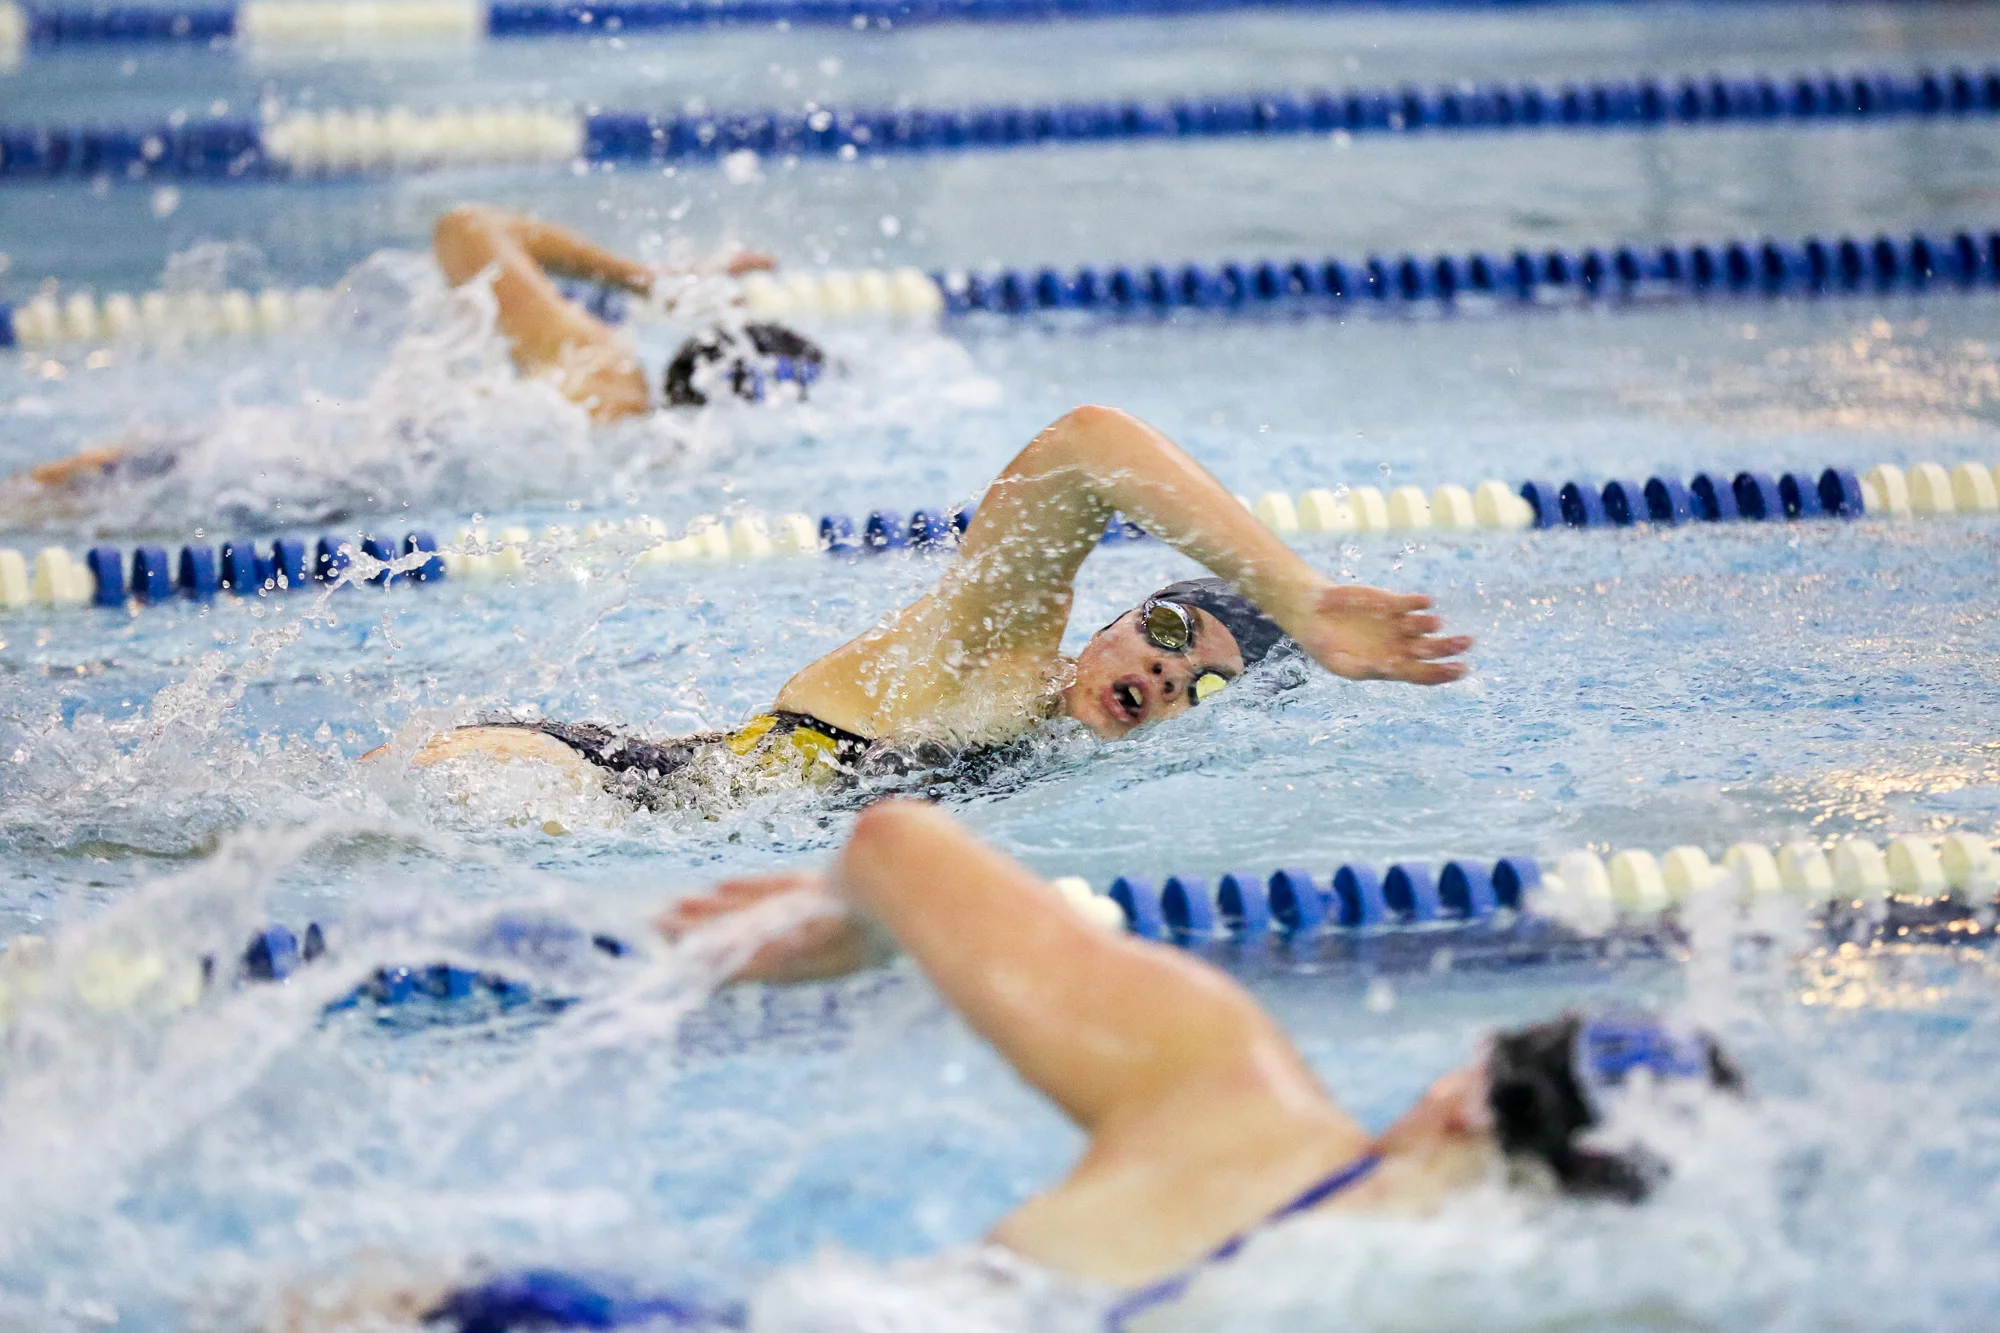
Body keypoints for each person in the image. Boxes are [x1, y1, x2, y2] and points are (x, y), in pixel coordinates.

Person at [289, 801, 1741, 1331]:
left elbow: (897, 842)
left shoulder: (1237, 1104)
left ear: (1466, 1083)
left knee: (369, 1294)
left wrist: (855, 935)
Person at [381, 404, 1474, 808]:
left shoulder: (1050, 751)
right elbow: (1087, 445)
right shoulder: (1000, 659)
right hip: (550, 784)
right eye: (1171, 635)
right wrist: (1301, 596)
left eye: (1202, 685)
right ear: (1112, 618)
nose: (1165, 675)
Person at [9, 207, 811, 494]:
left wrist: (648, 279)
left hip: (287, 455)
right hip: (333, 483)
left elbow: (470, 225)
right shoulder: (632, 428)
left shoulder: (595, 360)